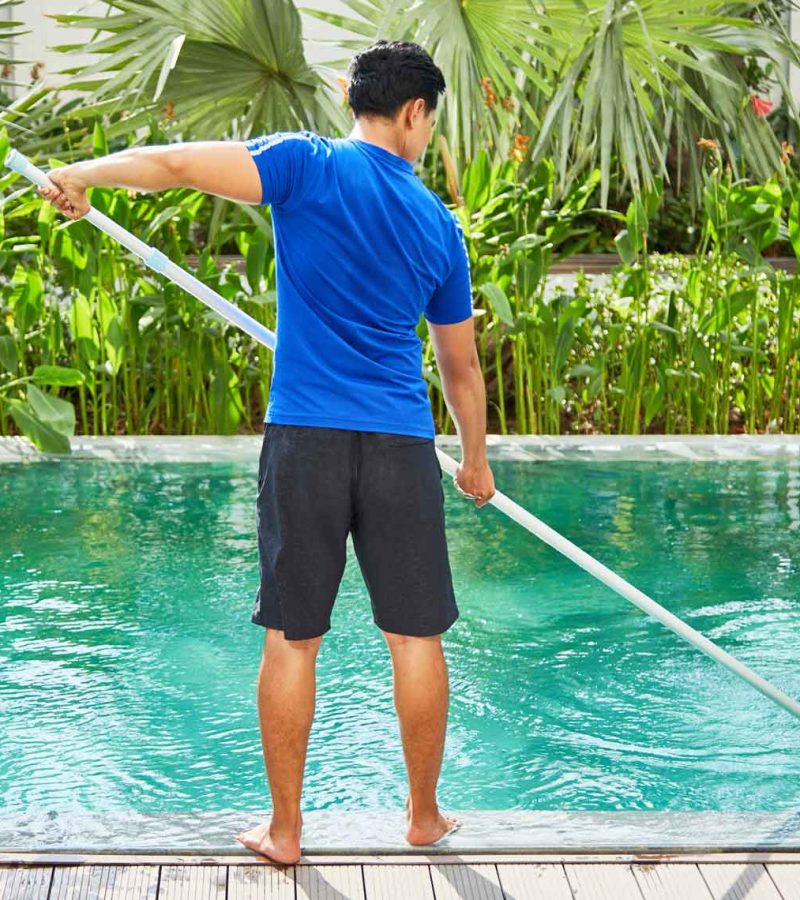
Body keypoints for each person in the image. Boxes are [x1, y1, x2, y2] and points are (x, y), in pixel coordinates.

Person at [37, 38, 496, 865]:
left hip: (307, 441)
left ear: (357, 101)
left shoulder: (304, 165)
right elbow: (460, 368)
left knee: (292, 638)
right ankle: (423, 816)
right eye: (430, 123)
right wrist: (475, 461)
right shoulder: (438, 225)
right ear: (414, 111)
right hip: (399, 445)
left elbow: (174, 165)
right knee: (417, 640)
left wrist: (83, 175)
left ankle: (285, 832)